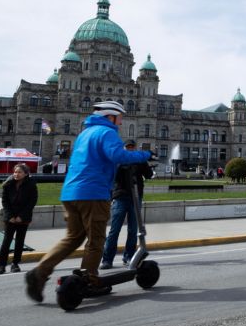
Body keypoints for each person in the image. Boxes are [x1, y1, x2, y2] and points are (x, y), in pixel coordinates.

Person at [25, 101, 153, 303]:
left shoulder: (84, 134)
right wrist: (145, 154)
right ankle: (90, 280)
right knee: (96, 240)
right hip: (93, 193)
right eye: (119, 118)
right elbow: (117, 155)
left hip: (71, 193)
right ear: (110, 116)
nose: (120, 123)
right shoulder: (106, 132)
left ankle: (40, 272)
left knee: (73, 237)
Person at [100, 140, 154, 270]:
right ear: (124, 148)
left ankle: (129, 256)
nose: (130, 149)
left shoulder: (139, 160)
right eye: (127, 147)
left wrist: (146, 165)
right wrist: (120, 166)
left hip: (136, 197)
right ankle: (107, 259)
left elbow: (149, 174)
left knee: (133, 230)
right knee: (115, 229)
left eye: (132, 147)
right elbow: (112, 177)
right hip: (121, 197)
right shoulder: (119, 160)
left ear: (134, 148)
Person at [0, 163, 38, 275]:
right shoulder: (8, 184)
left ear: (25, 173)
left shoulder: (31, 185)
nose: (16, 174)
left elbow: (32, 202)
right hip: (10, 219)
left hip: (23, 218)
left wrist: (21, 217)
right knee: (6, 242)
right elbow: (5, 202)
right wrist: (10, 216)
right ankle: (1, 265)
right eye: (15, 172)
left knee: (20, 241)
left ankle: (15, 264)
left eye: (19, 172)